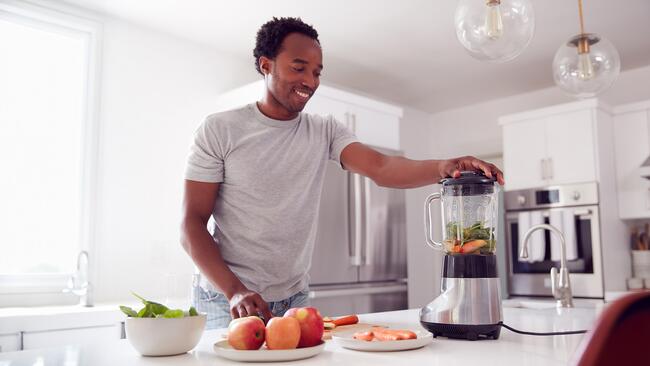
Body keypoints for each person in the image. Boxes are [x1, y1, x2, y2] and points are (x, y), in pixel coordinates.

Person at [180, 17, 504, 330]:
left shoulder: (324, 131)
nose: (310, 81)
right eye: (298, 68)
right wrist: (235, 290)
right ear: (266, 65)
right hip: (226, 299)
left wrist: (444, 167)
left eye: (317, 72)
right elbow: (191, 223)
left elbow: (382, 167)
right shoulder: (220, 129)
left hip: (293, 300)